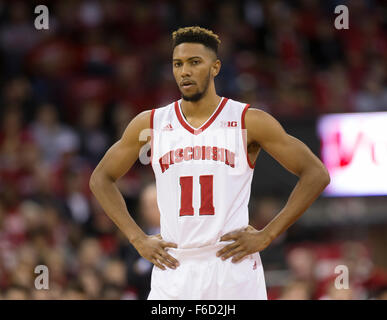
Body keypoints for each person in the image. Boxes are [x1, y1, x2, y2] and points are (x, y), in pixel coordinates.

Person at [89, 26, 330, 300]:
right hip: (174, 266)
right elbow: (100, 179)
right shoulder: (151, 123)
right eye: (177, 64)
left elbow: (315, 173)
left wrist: (268, 234)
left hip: (232, 266)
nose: (184, 71)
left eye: (194, 62)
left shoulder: (248, 121)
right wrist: (137, 238)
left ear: (215, 67)